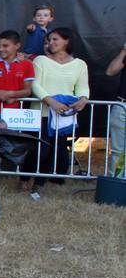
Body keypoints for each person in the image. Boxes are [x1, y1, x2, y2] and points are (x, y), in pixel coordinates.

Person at [27, 26, 91, 193]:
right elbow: (35, 85)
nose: (51, 43)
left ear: (67, 41)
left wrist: (83, 99)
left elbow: (82, 87)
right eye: (49, 40)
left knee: (57, 149)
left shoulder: (79, 65)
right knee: (41, 149)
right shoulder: (40, 60)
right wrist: (51, 101)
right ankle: (27, 179)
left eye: (55, 39)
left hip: (63, 116)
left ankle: (41, 184)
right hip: (42, 113)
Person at [106, 39, 126, 177]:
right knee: (118, 150)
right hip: (122, 106)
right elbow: (110, 72)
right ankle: (116, 185)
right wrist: (124, 51)